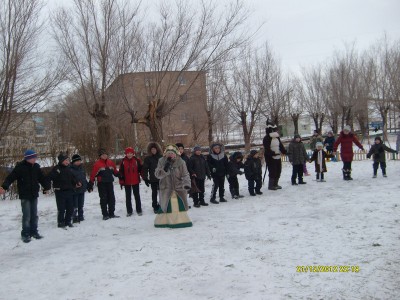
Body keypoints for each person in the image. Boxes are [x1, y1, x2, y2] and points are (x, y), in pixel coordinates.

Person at [0, 150, 50, 243]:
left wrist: (46, 187)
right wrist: (4, 187)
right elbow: (10, 177)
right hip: (25, 195)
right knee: (27, 216)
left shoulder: (36, 167)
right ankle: (25, 234)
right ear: (28, 158)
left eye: (35, 157)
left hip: (34, 194)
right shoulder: (20, 167)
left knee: (34, 215)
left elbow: (42, 178)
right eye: (33, 157)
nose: (35, 159)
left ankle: (34, 232)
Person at [154, 144, 192, 228]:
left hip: (178, 188)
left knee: (178, 205)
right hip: (166, 188)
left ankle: (180, 221)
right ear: (166, 154)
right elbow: (157, 175)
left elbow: (185, 174)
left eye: (172, 153)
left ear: (176, 153)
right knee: (166, 205)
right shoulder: (161, 161)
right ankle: (165, 222)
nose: (170, 154)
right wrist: (164, 169)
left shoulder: (181, 162)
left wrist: (186, 184)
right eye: (168, 153)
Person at [48, 153, 82, 228]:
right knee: (61, 208)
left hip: (69, 190)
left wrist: (76, 182)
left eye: (68, 160)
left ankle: (68, 221)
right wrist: (47, 187)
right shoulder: (57, 169)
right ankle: (61, 222)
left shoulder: (68, 168)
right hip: (60, 191)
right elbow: (49, 177)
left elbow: (73, 177)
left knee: (70, 208)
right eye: (65, 160)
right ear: (61, 161)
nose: (67, 162)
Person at [88, 148, 121, 220]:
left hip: (109, 183)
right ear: (100, 156)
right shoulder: (97, 164)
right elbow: (93, 174)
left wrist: (120, 175)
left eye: (105, 154)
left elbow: (115, 171)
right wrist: (91, 183)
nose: (104, 156)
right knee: (104, 199)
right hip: (102, 184)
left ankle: (111, 213)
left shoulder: (110, 162)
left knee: (111, 198)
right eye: (103, 155)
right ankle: (105, 214)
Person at [119, 147, 143, 217]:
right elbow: (121, 172)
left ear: (133, 153)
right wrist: (121, 180)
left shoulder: (137, 160)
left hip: (136, 181)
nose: (129, 155)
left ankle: (139, 210)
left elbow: (141, 170)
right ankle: (129, 211)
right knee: (128, 197)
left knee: (137, 196)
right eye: (128, 153)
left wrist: (144, 177)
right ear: (126, 154)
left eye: (130, 153)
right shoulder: (123, 161)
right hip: (127, 182)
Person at [263, 121, 287, 190]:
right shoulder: (266, 138)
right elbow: (267, 148)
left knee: (278, 170)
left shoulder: (277, 137)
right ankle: (271, 185)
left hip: (278, 156)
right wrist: (272, 153)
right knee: (272, 171)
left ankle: (275, 184)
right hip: (270, 157)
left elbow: (280, 145)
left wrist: (284, 151)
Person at [142, 142, 163, 213]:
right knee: (154, 193)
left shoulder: (161, 157)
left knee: (162, 192)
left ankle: (162, 204)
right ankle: (155, 206)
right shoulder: (148, 158)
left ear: (157, 149)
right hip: (153, 179)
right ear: (150, 150)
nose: (153, 150)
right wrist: (145, 178)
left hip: (161, 178)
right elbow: (145, 168)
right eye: (152, 149)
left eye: (154, 149)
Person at [70, 154, 89, 223]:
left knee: (81, 204)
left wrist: (87, 185)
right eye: (77, 161)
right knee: (75, 205)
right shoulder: (70, 169)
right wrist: (74, 185)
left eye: (79, 161)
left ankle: (81, 216)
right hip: (75, 190)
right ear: (73, 162)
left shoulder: (81, 168)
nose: (78, 162)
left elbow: (84, 178)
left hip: (82, 189)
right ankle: (74, 217)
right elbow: (70, 180)